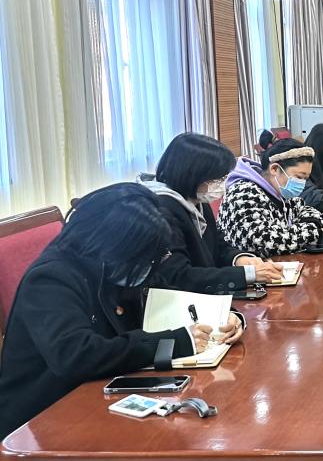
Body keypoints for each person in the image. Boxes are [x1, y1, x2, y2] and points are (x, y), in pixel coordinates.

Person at [0, 184, 245, 440]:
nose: (148, 267)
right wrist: (176, 341)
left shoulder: (116, 263)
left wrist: (224, 316)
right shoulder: (50, 279)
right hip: (42, 420)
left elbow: (173, 289)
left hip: (104, 394)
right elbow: (77, 355)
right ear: (112, 244)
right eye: (143, 259)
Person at [139, 134, 284, 293]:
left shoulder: (197, 199)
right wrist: (246, 275)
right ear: (192, 175)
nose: (221, 185)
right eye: (216, 180)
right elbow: (179, 277)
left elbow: (217, 244)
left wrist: (239, 259)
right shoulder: (161, 209)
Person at [219, 138, 323, 256]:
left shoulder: (280, 190)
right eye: (299, 177)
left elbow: (309, 211)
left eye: (305, 178)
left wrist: (305, 228)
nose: (302, 183)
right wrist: (316, 235)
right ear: (275, 169)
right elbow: (262, 242)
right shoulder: (243, 194)